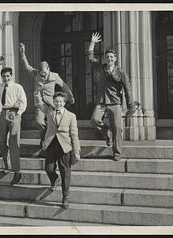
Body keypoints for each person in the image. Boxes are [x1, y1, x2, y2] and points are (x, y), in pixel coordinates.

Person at [88, 32, 136, 161]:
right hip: (101, 101)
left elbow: (128, 90)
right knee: (94, 120)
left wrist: (130, 106)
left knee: (117, 128)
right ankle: (106, 133)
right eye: (107, 57)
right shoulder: (101, 68)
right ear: (105, 58)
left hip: (115, 102)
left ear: (115, 59)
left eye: (111, 57)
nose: (109, 59)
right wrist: (92, 42)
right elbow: (91, 58)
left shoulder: (121, 73)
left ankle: (117, 152)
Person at [19, 43, 75, 149]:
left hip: (51, 103)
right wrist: (22, 54)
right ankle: (44, 138)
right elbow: (27, 67)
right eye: (41, 74)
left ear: (48, 69)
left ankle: (51, 140)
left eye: (45, 74)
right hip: (40, 103)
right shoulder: (36, 74)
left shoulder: (54, 76)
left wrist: (70, 96)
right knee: (39, 122)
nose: (43, 76)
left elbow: (64, 86)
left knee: (53, 122)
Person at [0, 57, 27, 185]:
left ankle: (17, 171)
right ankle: (7, 165)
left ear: (11, 76)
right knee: (1, 141)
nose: (6, 78)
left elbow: (24, 101)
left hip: (14, 113)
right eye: (4, 76)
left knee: (14, 141)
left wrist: (18, 114)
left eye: (8, 76)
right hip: (4, 113)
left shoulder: (17, 87)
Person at [42, 92, 81, 209]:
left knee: (65, 172)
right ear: (53, 102)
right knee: (48, 168)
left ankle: (65, 197)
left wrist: (76, 150)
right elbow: (48, 129)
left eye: (60, 102)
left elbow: (74, 134)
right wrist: (44, 142)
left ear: (64, 103)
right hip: (51, 144)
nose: (58, 104)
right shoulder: (49, 113)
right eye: (56, 101)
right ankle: (54, 179)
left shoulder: (71, 116)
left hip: (65, 146)